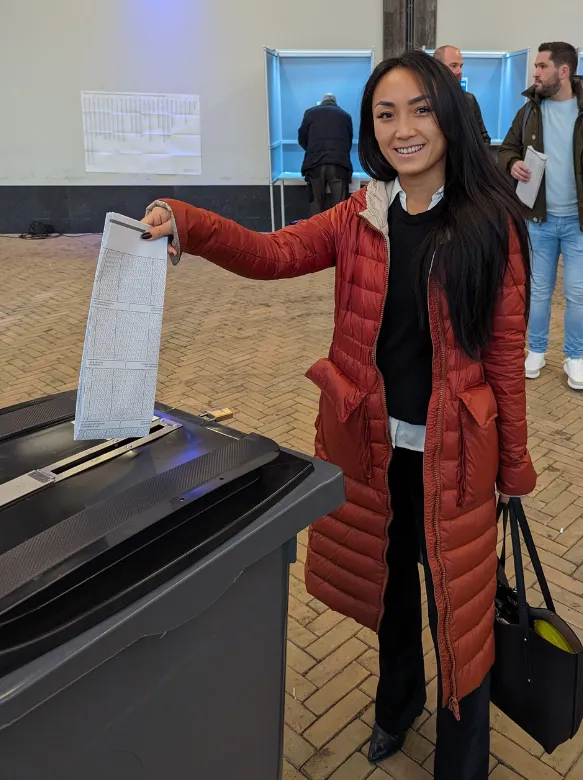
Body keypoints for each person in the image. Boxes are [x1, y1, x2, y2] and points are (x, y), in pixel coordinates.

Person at [141, 50, 536, 780]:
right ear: (369, 129)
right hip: (372, 444)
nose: (402, 129)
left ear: (447, 114)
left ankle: (462, 762)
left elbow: (505, 359)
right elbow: (270, 251)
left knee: (462, 616)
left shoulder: (491, 226)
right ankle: (396, 707)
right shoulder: (361, 215)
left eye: (419, 109)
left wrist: (513, 466)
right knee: (388, 593)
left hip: (456, 455)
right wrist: (188, 223)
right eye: (385, 114)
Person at [499, 42, 583, 390]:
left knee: (578, 293)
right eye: (535, 66)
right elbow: (507, 149)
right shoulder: (530, 111)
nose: (535, 73)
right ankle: (535, 350)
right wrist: (512, 164)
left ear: (563, 72)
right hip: (539, 220)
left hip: (579, 224)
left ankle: (575, 356)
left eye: (542, 66)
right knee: (538, 290)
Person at [297, 93, 353, 215]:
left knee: (316, 203)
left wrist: (312, 150)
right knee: (340, 206)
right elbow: (348, 142)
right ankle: (339, 233)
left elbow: (302, 138)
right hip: (338, 165)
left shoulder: (310, 113)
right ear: (335, 102)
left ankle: (317, 233)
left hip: (315, 164)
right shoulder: (345, 116)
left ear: (322, 102)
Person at [433, 45, 491, 144]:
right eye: (454, 65)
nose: (459, 71)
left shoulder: (469, 100)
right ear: (437, 67)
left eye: (461, 66)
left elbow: (483, 138)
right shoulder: (425, 100)